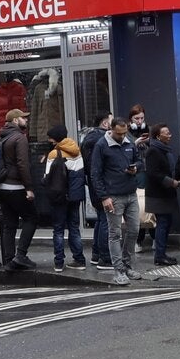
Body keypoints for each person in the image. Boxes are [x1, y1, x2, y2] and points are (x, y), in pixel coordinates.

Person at [91, 117, 143, 286]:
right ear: (111, 129)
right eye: (119, 133)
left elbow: (140, 161)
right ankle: (118, 270)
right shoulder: (101, 145)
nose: (122, 136)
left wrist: (136, 168)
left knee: (134, 230)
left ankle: (127, 266)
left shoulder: (129, 142)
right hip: (113, 195)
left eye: (124, 133)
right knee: (115, 234)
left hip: (130, 192)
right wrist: (104, 197)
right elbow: (95, 174)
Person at [0, 109, 38, 270]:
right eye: (22, 118)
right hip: (14, 185)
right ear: (14, 121)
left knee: (9, 223)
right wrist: (29, 188)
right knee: (31, 217)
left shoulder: (2, 136)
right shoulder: (19, 138)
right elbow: (22, 164)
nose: (26, 120)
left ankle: (9, 260)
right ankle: (21, 255)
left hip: (0, 186)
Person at [44, 125, 87, 272]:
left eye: (50, 137)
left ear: (55, 138)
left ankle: (59, 262)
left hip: (59, 197)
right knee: (74, 228)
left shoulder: (53, 154)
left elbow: (47, 178)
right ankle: (79, 259)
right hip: (75, 197)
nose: (48, 140)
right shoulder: (77, 151)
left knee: (58, 230)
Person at [144, 123, 179, 266]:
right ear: (158, 136)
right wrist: (171, 182)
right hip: (158, 195)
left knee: (166, 222)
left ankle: (162, 253)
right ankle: (159, 255)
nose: (170, 135)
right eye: (167, 133)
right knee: (162, 224)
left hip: (166, 194)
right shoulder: (153, 151)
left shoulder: (165, 150)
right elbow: (153, 173)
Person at [81, 112, 113, 269]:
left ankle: (96, 254)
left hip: (94, 185)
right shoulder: (102, 140)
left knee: (101, 219)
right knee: (106, 220)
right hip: (102, 185)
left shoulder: (88, 137)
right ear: (106, 124)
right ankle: (105, 258)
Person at [128, 104, 152, 253]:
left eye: (142, 118)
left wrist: (148, 141)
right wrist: (135, 143)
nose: (139, 121)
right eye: (136, 118)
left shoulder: (149, 130)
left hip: (148, 171)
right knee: (138, 207)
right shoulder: (126, 134)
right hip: (136, 173)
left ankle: (155, 237)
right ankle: (138, 239)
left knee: (151, 205)